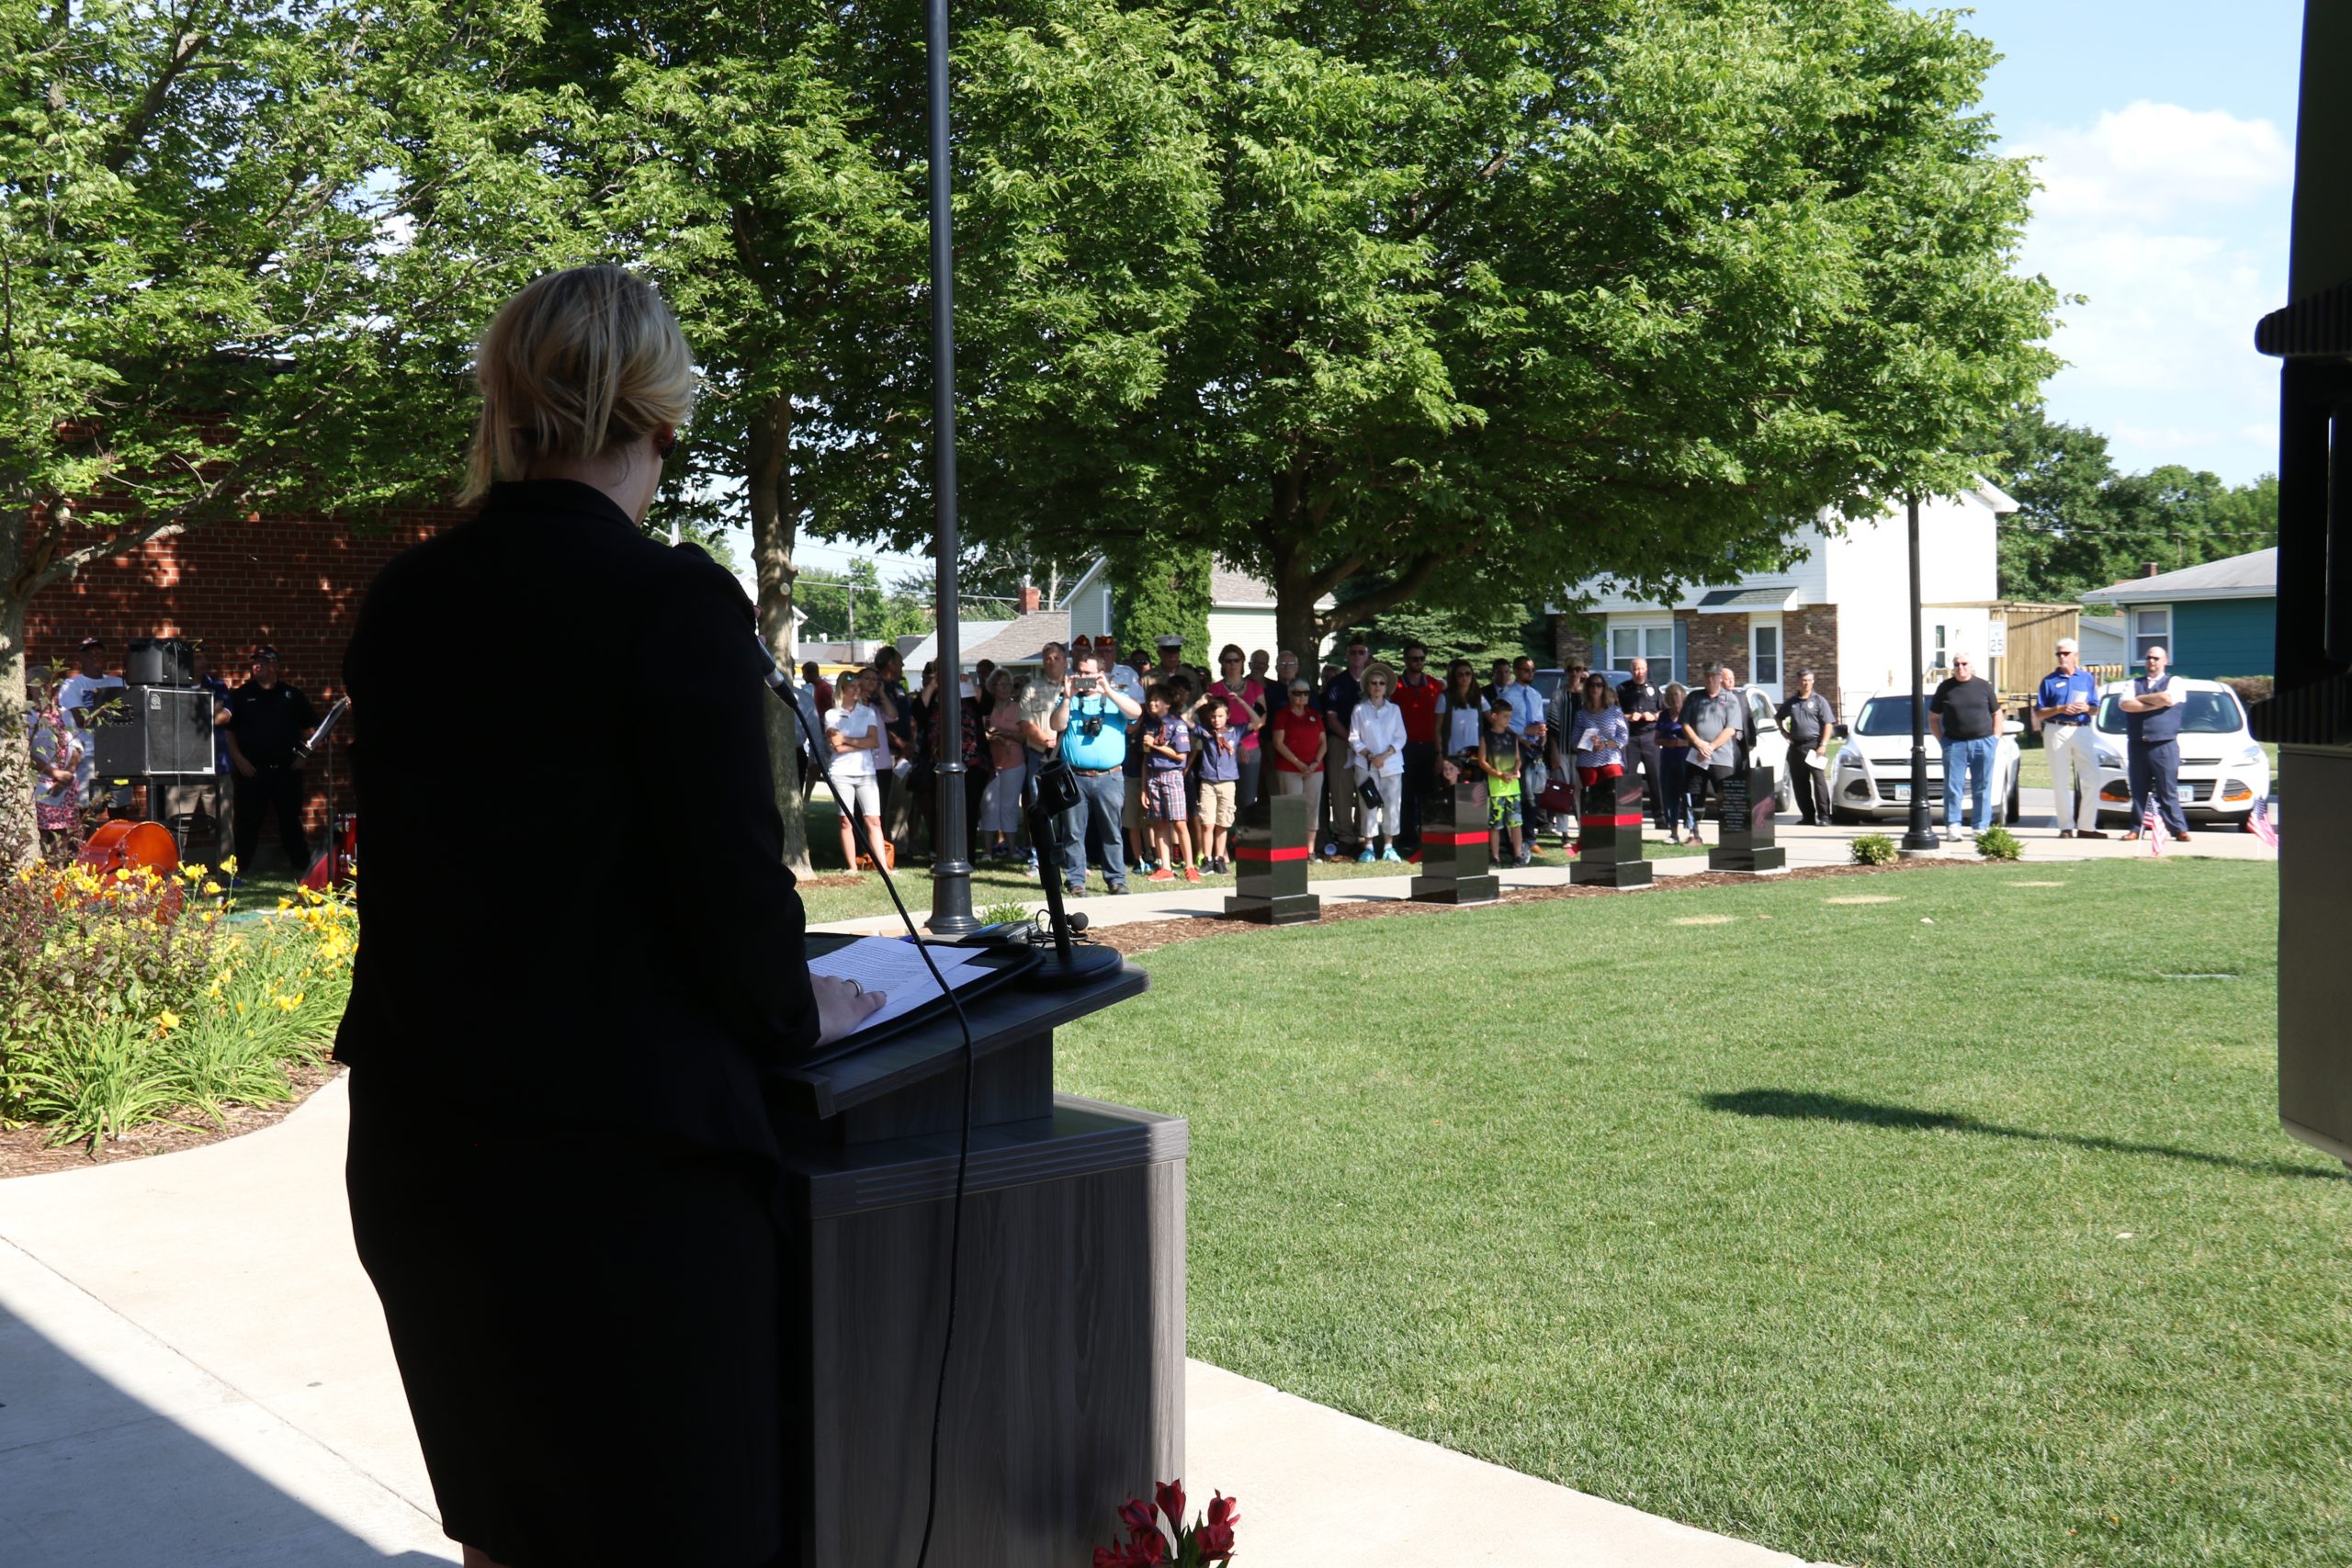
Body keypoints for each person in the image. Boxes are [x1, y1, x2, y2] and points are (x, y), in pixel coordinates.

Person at [337, 265, 884, 1568]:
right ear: (664, 414)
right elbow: (735, 898)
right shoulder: (672, 602)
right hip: (623, 1171)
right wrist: (806, 1003)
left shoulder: (405, 597)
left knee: (511, 1529)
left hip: (429, 1150)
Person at [222, 644, 319, 879]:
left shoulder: (291, 695)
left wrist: (303, 757)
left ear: (275, 666)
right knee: (247, 823)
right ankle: (240, 869)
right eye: (255, 662)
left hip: (287, 771)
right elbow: (228, 731)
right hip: (252, 771)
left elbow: (312, 730)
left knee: (290, 821)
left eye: (263, 662)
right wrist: (239, 759)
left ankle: (302, 867)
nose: (257, 666)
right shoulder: (242, 695)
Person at [1057, 645, 1141, 895]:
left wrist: (1108, 690)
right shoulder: (1069, 699)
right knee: (1072, 832)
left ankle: (1116, 879)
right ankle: (1075, 880)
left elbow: (1136, 713)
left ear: (1101, 674)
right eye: (1080, 672)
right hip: (1075, 776)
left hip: (1110, 777)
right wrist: (1068, 696)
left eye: (1089, 673)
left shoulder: (1115, 698)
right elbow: (1056, 724)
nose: (1084, 677)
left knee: (1112, 831)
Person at [2035, 637, 2107, 838]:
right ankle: (2065, 826)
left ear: (2076, 655)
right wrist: (2060, 708)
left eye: (2065, 653)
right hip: (2056, 729)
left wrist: (2088, 708)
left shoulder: (2086, 678)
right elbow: (2039, 712)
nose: (2061, 657)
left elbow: (2095, 708)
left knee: (2092, 778)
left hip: (2082, 729)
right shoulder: (2049, 681)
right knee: (2060, 780)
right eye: (2058, 653)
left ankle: (2086, 827)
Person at [2120, 645, 2191, 842]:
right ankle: (2136, 828)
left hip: (2164, 744)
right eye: (2149, 658)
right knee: (2138, 789)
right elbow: (2125, 704)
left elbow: (2167, 699)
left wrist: (2140, 700)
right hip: (2137, 744)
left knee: (2167, 789)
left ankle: (2178, 829)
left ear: (2165, 661)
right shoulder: (2133, 683)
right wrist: (2154, 700)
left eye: (2156, 658)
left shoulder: (2174, 682)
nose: (2152, 661)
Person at [1928, 653, 2001, 841]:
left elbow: (1997, 713)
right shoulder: (1945, 688)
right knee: (1953, 787)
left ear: (1971, 665)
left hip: (1983, 743)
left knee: (1982, 786)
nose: (1961, 668)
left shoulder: (1983, 686)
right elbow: (1933, 717)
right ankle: (1953, 826)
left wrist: (1995, 738)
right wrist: (1943, 741)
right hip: (1954, 744)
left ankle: (1980, 827)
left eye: (1964, 664)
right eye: (1957, 664)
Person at [821, 668, 888, 869]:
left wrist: (847, 739)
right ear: (843, 689)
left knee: (873, 819)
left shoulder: (868, 712)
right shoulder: (832, 714)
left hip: (866, 772)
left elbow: (874, 741)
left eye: (859, 686)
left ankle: (883, 867)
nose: (858, 689)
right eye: (853, 686)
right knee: (846, 820)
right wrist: (860, 742)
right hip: (841, 772)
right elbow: (837, 746)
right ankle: (852, 867)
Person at [1016, 641, 1071, 874]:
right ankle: (1038, 860)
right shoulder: (1031, 689)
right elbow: (1024, 722)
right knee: (1040, 808)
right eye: (1048, 658)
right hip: (1039, 755)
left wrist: (1057, 744)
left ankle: (1071, 860)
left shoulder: (1075, 687)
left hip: (1067, 757)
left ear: (1065, 661)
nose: (1052, 662)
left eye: (1057, 658)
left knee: (1069, 810)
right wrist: (1046, 741)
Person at [56, 636, 127, 817]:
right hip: (89, 756)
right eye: (90, 655)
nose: (96, 658)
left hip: (118, 756)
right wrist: (111, 711)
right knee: (88, 811)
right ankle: (84, 845)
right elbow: (82, 719)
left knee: (119, 809)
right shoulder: (72, 684)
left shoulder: (118, 683)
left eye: (99, 654)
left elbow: (132, 716)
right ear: (81, 659)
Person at [1346, 661, 1407, 862]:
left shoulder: (1394, 710)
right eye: (1373, 683)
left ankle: (1389, 846)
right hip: (1366, 764)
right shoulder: (1359, 710)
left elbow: (1401, 737)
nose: (1377, 686)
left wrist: (1385, 755)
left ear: (1386, 687)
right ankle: (1369, 846)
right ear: (1368, 686)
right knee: (1367, 804)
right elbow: (1354, 738)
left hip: (1391, 765)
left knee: (1392, 805)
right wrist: (1371, 756)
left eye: (1381, 683)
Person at [1139, 684, 1199, 882]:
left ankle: (1189, 866)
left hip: (1172, 775)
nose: (1152, 704)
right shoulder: (1150, 726)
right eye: (1150, 700)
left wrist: (1156, 745)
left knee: (1179, 822)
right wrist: (1143, 788)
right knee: (1159, 822)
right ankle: (1165, 867)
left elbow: (1181, 756)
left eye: (1157, 700)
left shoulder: (1177, 724)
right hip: (1153, 776)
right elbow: (1145, 759)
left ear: (1167, 703)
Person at [1322, 637, 1372, 858]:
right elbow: (1331, 717)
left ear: (1367, 656)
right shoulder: (1337, 683)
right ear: (1347, 655)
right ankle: (1344, 837)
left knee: (1366, 788)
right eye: (1353, 652)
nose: (1357, 656)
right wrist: (1352, 740)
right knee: (1341, 791)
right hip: (1341, 742)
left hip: (1370, 747)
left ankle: (1364, 836)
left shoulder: (1374, 682)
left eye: (1361, 652)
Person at [1679, 663, 1748, 821]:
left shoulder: (1729, 699)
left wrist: (1710, 747)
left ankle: (1732, 834)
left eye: (1714, 676)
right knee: (1693, 795)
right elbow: (1685, 724)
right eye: (1707, 676)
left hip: (1721, 757)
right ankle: (1693, 833)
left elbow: (1731, 729)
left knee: (1727, 796)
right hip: (1697, 757)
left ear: (1720, 678)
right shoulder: (1694, 697)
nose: (1710, 680)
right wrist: (1699, 743)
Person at [28, 668, 85, 856]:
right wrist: (54, 773)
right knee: (44, 837)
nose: (43, 688)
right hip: (42, 785)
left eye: (46, 683)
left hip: (66, 784)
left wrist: (67, 774)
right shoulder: (28, 717)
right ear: (29, 689)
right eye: (37, 685)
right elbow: (25, 754)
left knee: (66, 839)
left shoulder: (64, 714)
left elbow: (77, 747)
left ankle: (63, 878)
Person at [1205, 645, 1269, 810]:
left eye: (1236, 660)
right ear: (1222, 664)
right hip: (1224, 747)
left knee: (1248, 797)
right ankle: (1228, 834)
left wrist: (1244, 742)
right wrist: (1237, 743)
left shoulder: (1255, 688)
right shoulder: (1215, 689)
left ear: (1242, 662)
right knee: (1226, 798)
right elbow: (1213, 720)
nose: (1233, 664)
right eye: (1228, 661)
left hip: (1252, 747)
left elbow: (1262, 717)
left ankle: (1244, 834)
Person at [1391, 643, 1442, 845]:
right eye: (1414, 659)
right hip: (1404, 747)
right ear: (1405, 659)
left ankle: (1430, 837)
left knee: (1429, 794)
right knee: (1405, 794)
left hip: (1429, 746)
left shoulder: (1434, 685)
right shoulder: (1396, 686)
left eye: (1421, 659)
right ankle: (1407, 838)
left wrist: (1440, 752)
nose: (1418, 662)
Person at [1775, 669, 1838, 826]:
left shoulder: (1819, 701)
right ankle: (1807, 816)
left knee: (1819, 782)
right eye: (1803, 680)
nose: (1806, 683)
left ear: (1813, 681)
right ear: (1798, 682)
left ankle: (1824, 817)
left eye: (1809, 680)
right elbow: (1778, 717)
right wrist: (1786, 734)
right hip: (1796, 747)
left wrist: (1823, 744)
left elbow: (1828, 724)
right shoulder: (1792, 702)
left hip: (1815, 745)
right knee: (1799, 783)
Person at [1193, 694, 1245, 874]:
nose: (1217, 720)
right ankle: (1207, 859)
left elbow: (1258, 721)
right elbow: (1185, 720)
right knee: (1208, 822)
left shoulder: (1235, 732)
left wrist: (1242, 702)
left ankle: (1219, 858)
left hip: (1228, 782)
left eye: (1221, 716)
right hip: (1208, 782)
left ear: (1227, 715)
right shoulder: (1205, 732)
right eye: (1214, 716)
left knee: (1223, 823)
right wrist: (1200, 702)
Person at [1267, 676, 1329, 829]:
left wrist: (1315, 762)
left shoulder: (1314, 714)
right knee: (1291, 809)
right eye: (1297, 693)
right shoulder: (1282, 715)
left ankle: (1310, 850)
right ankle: (1291, 851)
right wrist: (1298, 763)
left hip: (1315, 768)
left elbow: (1323, 743)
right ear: (1289, 694)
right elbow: (1278, 743)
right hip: (1289, 768)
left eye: (1306, 693)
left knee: (1312, 809)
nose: (1302, 696)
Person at [978, 669, 1027, 860]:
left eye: (1009, 684)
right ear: (993, 687)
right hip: (990, 763)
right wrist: (994, 736)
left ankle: (1012, 849)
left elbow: (1023, 736)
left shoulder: (1018, 708)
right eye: (1002, 684)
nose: (1006, 688)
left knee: (1009, 806)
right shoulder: (987, 708)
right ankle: (988, 851)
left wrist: (1001, 732)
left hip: (1014, 763)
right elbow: (981, 733)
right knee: (989, 806)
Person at [1615, 658, 1664, 825]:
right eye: (1635, 669)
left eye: (1641, 669)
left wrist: (1654, 716)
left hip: (1651, 737)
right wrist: (1628, 716)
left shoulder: (1654, 687)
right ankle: (1629, 818)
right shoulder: (1622, 689)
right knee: (1629, 778)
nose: (1639, 672)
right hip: (1631, 738)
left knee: (1656, 777)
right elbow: (1613, 714)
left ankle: (1660, 817)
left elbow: (1663, 711)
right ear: (1631, 670)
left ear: (1647, 669)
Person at [1478, 697, 1527, 865]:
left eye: (1509, 716)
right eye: (1505, 716)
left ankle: (1518, 855)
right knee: (1495, 825)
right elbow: (1482, 761)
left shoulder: (1512, 736)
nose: (1508, 720)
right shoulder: (1487, 737)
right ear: (1494, 716)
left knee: (1516, 823)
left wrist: (1516, 769)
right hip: (1496, 788)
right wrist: (1498, 774)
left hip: (1513, 788)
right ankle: (1495, 856)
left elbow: (1518, 758)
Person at [1657, 682, 1701, 843]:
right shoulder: (1663, 715)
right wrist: (1668, 742)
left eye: (1678, 698)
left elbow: (1698, 737)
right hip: (1667, 759)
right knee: (1670, 796)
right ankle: (1673, 832)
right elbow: (1656, 739)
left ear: (1683, 698)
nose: (1676, 702)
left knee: (1688, 795)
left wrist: (1682, 743)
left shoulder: (1689, 714)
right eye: (1672, 698)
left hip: (1686, 759)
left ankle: (1692, 832)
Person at [1434, 660, 1487, 784]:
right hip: (1452, 755)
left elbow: (1495, 719)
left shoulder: (1478, 696)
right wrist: (1439, 754)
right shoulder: (1445, 697)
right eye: (1460, 674)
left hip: (1473, 755)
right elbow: (1437, 729)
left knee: (1473, 794)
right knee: (1454, 794)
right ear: (1454, 677)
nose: (1465, 677)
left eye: (1468, 674)